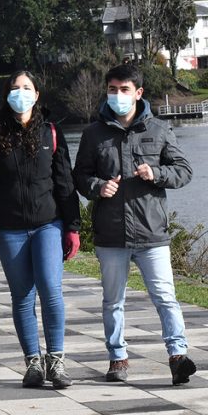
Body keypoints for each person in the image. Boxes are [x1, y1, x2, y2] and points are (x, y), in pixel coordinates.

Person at [73, 63, 196, 385]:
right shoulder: (92, 134)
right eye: (112, 89)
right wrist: (97, 187)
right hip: (110, 234)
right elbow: (79, 176)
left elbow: (184, 171)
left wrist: (157, 174)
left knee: (165, 297)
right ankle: (117, 358)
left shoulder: (159, 129)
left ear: (138, 93)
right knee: (113, 301)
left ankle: (178, 356)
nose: (117, 95)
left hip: (152, 233)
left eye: (124, 89)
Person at [0, 71, 80, 389]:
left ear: (37, 95)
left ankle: (56, 362)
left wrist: (73, 227)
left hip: (48, 224)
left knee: (50, 290)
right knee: (21, 296)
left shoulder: (52, 133)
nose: (21, 93)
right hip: (8, 229)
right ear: (7, 95)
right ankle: (33, 364)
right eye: (15, 88)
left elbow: (65, 184)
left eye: (27, 88)